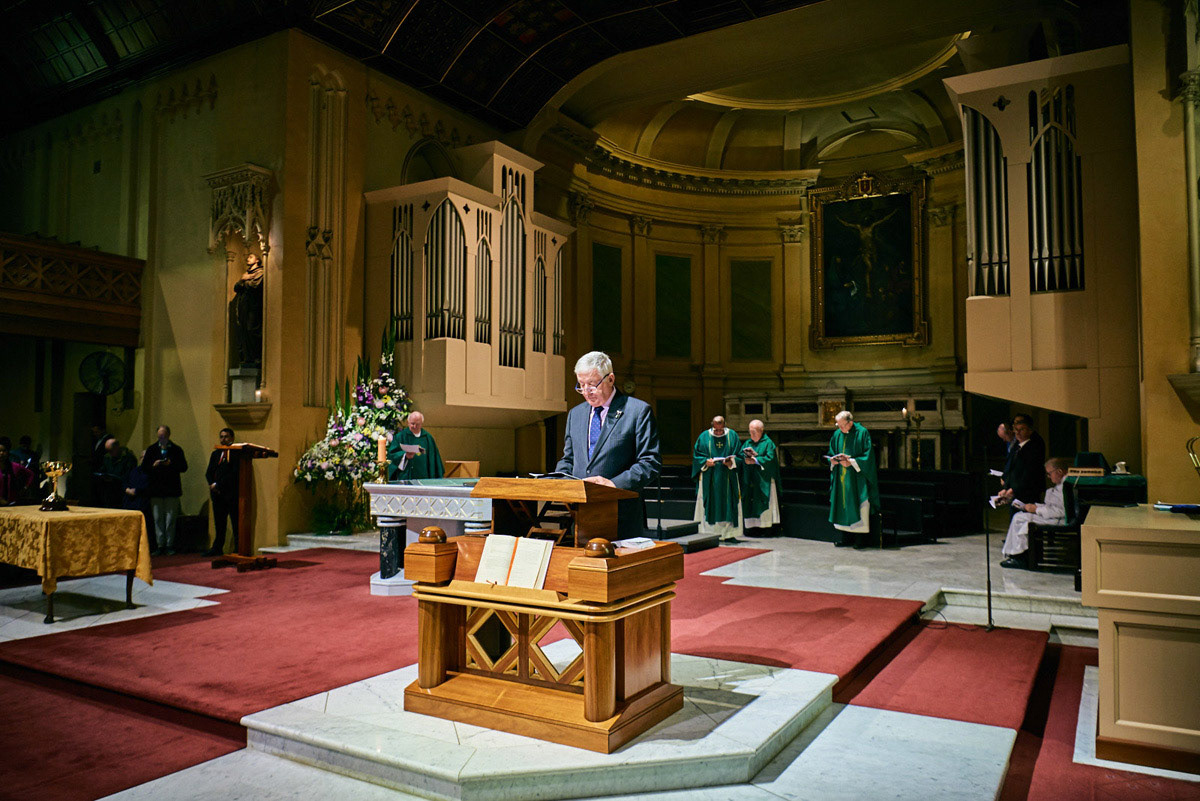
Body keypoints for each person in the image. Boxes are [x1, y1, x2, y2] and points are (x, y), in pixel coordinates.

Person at [555, 350, 661, 540]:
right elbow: (569, 459)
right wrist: (560, 481)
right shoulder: (575, 414)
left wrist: (612, 484)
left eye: (592, 384)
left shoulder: (637, 411)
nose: (587, 391)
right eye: (581, 385)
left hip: (621, 516)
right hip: (581, 517)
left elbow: (650, 463)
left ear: (610, 379)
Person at [1001, 458, 1070, 569]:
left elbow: (1061, 511)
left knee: (1020, 519)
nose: (1048, 476)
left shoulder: (1066, 486)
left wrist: (1036, 509)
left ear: (1060, 471)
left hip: (1061, 520)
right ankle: (1016, 555)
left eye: (1049, 473)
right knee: (1019, 516)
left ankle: (1019, 557)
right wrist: (1033, 507)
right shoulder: (1063, 484)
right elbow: (1055, 506)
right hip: (1054, 516)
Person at [827, 410, 880, 548]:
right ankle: (845, 538)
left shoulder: (862, 433)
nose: (840, 428)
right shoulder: (837, 434)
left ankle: (860, 539)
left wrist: (851, 461)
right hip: (841, 478)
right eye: (838, 425)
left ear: (850, 422)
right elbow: (831, 452)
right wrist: (833, 461)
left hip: (857, 478)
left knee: (859, 505)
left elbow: (868, 456)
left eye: (843, 425)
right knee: (842, 506)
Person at [692, 416, 742, 542]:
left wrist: (732, 462)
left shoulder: (733, 436)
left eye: (721, 430)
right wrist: (705, 462)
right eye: (716, 430)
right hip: (710, 477)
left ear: (724, 425)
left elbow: (740, 456)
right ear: (712, 426)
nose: (719, 432)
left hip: (728, 477)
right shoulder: (704, 437)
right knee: (711, 503)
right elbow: (696, 456)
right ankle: (708, 534)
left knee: (729, 503)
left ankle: (729, 534)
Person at [141, 425, 188, 554]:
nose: (162, 438)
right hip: (156, 489)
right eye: (159, 436)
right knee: (157, 519)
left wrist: (171, 464)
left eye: (164, 436)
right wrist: (153, 465)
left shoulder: (176, 450)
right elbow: (144, 468)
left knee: (170, 519)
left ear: (169, 435)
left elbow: (184, 467)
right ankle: (160, 545)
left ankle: (169, 545)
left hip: (171, 489)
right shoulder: (151, 450)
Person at [740, 419, 781, 536]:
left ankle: (766, 528)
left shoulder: (768, 443)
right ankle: (752, 528)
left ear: (761, 431)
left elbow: (771, 459)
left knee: (765, 503)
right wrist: (745, 459)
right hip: (751, 479)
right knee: (750, 502)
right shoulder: (748, 443)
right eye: (750, 432)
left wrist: (756, 460)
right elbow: (740, 456)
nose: (751, 435)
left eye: (754, 432)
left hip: (764, 480)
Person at [997, 414, 1046, 507]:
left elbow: (1029, 472)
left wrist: (1013, 489)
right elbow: (1011, 467)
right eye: (1016, 429)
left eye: (1021, 429)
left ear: (1030, 430)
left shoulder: (1034, 447)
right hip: (1014, 492)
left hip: (1028, 492)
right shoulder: (1016, 446)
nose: (1017, 433)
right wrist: (1006, 487)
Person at [205, 428, 239, 556]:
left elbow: (234, 474)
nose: (223, 439)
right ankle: (217, 547)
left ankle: (238, 548)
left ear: (232, 438)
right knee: (219, 523)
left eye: (226, 437)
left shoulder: (236, 454)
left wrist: (219, 484)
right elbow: (209, 472)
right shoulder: (216, 454)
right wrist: (211, 484)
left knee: (235, 523)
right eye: (221, 437)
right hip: (217, 495)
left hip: (230, 494)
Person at [388, 411, 444, 480]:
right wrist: (405, 456)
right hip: (406, 476)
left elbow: (434, 459)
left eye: (418, 424)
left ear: (422, 424)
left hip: (424, 476)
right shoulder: (400, 436)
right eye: (412, 424)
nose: (415, 426)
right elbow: (392, 455)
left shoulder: (428, 438)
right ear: (408, 423)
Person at [232, 252, 264, 368]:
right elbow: (236, 287)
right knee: (243, 332)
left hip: (253, 308)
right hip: (243, 309)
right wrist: (243, 279)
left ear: (257, 260)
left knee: (252, 330)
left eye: (251, 257)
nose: (248, 259)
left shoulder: (260, 272)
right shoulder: (246, 274)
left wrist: (245, 281)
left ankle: (256, 358)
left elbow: (256, 286)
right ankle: (247, 357)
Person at [96, 436, 136, 508]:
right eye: (107, 451)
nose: (109, 453)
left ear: (117, 447)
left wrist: (117, 479)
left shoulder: (128, 458)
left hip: (122, 491)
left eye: (111, 451)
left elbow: (129, 474)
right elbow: (103, 469)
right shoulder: (107, 457)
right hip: (109, 491)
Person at [0, 441, 35, 505]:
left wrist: (25, 488)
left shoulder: (15, 466)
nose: (1, 453)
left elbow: (31, 474)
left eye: (4, 451)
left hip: (13, 503)